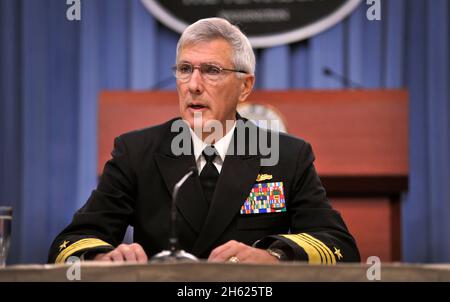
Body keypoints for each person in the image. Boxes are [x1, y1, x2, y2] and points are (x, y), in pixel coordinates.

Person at [48, 17, 360, 264]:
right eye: (185, 69)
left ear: (245, 86)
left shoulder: (286, 156)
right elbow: (70, 243)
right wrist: (105, 258)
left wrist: (273, 257)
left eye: (211, 71)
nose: (193, 85)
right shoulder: (136, 152)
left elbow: (340, 247)